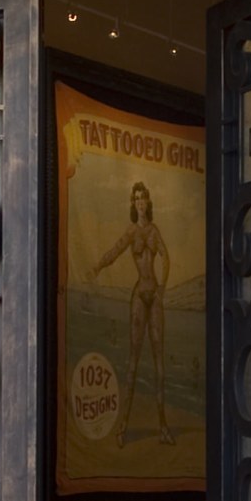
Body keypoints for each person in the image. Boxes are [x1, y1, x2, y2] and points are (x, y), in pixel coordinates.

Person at [89, 181, 175, 444]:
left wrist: (162, 287)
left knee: (160, 362)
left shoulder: (154, 230)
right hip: (139, 297)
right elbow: (115, 251)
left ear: (148, 203)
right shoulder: (131, 232)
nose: (140, 202)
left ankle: (162, 427)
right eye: (136, 198)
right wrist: (98, 267)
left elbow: (166, 257)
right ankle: (123, 427)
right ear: (133, 203)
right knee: (134, 360)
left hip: (154, 296)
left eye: (143, 198)